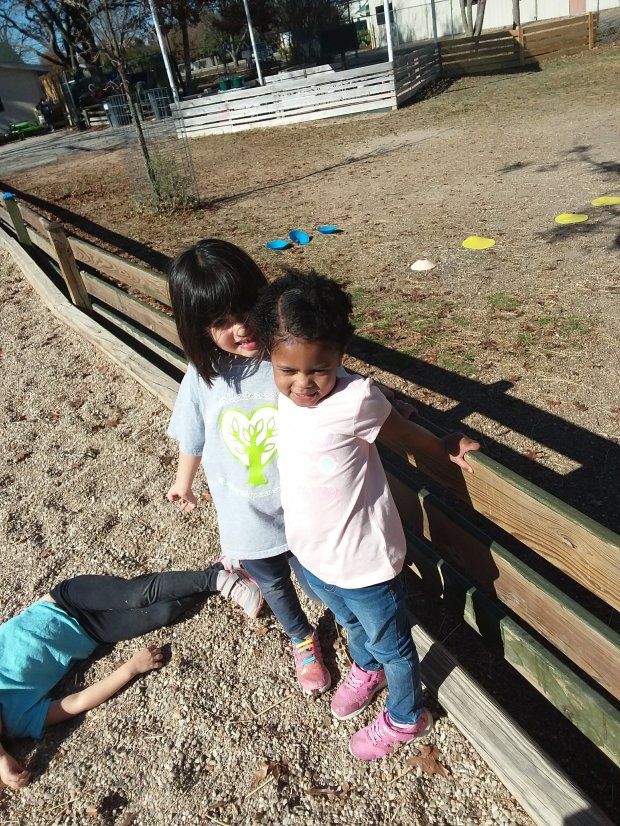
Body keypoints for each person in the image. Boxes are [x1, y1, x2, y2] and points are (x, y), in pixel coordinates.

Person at [251, 270, 481, 761]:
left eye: (319, 369)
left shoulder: (356, 399)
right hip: (313, 552)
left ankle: (406, 716)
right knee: (348, 620)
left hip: (364, 562)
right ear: (270, 356)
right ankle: (365, 667)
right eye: (287, 370)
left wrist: (443, 444)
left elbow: (403, 434)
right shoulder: (283, 394)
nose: (303, 384)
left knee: (393, 645)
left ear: (341, 354)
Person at [165, 239, 331, 697]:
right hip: (247, 518)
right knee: (274, 584)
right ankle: (301, 637)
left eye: (245, 309)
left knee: (318, 579)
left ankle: (344, 617)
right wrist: (183, 482)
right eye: (221, 321)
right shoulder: (203, 378)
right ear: (198, 328)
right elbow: (193, 435)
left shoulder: (286, 359)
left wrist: (388, 404)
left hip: (303, 506)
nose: (240, 327)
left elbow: (338, 390)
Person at [0, 564, 261, 788]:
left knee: (137, 596)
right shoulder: (16, 720)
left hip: (64, 601)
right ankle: (221, 568)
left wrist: (1, 760)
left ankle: (218, 579)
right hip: (93, 632)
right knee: (161, 613)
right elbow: (78, 702)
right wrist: (130, 668)